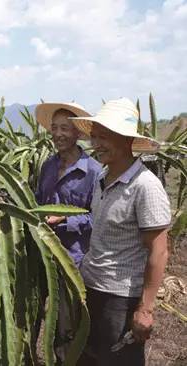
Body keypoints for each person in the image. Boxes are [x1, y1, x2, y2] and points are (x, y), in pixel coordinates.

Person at [71, 98, 170, 366]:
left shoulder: (145, 186)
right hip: (91, 287)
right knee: (88, 357)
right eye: (94, 137)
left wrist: (145, 309)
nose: (97, 144)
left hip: (121, 299)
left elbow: (159, 251)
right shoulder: (103, 177)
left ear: (127, 140)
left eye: (105, 137)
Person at [34, 102, 102, 362]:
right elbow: (39, 201)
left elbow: (97, 217)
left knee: (65, 326)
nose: (58, 134)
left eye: (65, 128)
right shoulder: (48, 166)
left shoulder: (94, 172)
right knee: (36, 315)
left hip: (73, 259)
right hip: (42, 255)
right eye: (54, 128)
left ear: (78, 134)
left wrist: (65, 220)